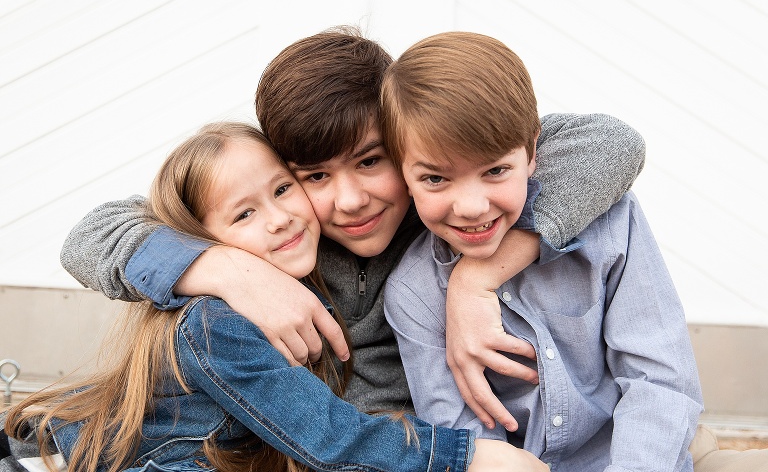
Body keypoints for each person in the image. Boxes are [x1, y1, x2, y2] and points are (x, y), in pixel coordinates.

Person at [58, 27, 646, 434]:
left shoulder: (444, 203)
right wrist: (227, 270)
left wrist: (479, 275)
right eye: (313, 175)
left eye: (371, 161)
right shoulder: (273, 229)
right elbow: (90, 236)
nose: (349, 200)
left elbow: (609, 143)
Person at [1, 122, 549, 472]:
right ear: (202, 236)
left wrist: (479, 276)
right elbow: (329, 438)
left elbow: (602, 141)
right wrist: (465, 458)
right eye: (244, 214)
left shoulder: (409, 223)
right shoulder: (216, 321)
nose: (280, 217)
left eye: (284, 189)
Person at [378, 31, 729, 470]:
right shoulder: (412, 293)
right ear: (403, 175)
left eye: (496, 171)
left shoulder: (610, 221)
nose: (470, 207)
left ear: (532, 152)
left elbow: (659, 379)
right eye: (435, 179)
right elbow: (461, 434)